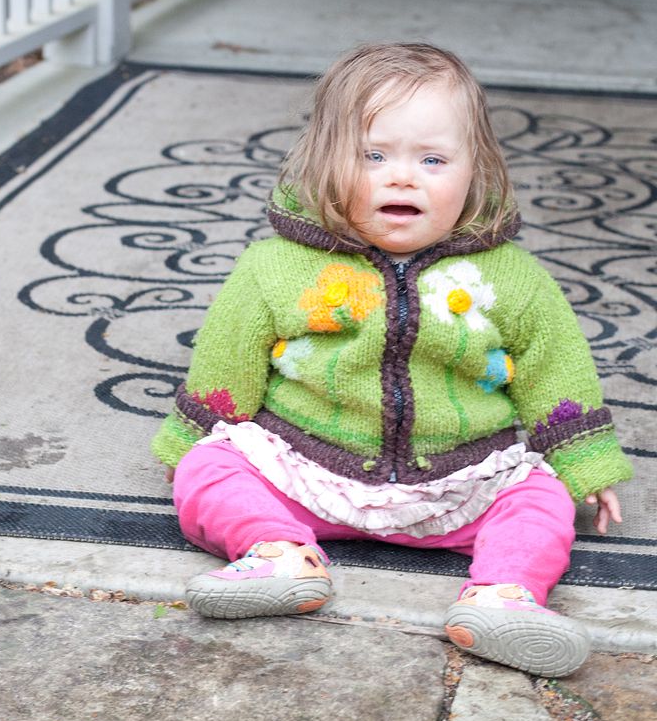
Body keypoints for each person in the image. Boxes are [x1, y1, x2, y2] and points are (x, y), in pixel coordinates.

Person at [152, 42, 633, 678]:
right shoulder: (274, 267)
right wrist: (186, 443)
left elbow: (556, 367)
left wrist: (585, 462)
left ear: (476, 171)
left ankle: (503, 598)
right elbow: (226, 359)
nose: (402, 177)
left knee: (539, 498)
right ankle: (278, 555)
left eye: (433, 159)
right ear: (324, 163)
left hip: (460, 480)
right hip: (308, 470)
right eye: (373, 156)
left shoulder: (510, 278)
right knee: (210, 469)